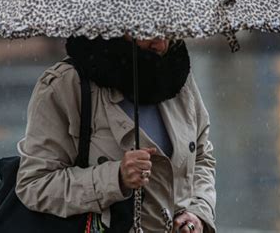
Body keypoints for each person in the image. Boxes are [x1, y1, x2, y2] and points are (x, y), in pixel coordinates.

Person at [15, 36, 216, 233]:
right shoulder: (65, 85)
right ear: (119, 27)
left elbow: (201, 157)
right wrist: (115, 178)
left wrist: (197, 214)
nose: (161, 44)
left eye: (168, 30)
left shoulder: (177, 77)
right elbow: (34, 185)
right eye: (147, 33)